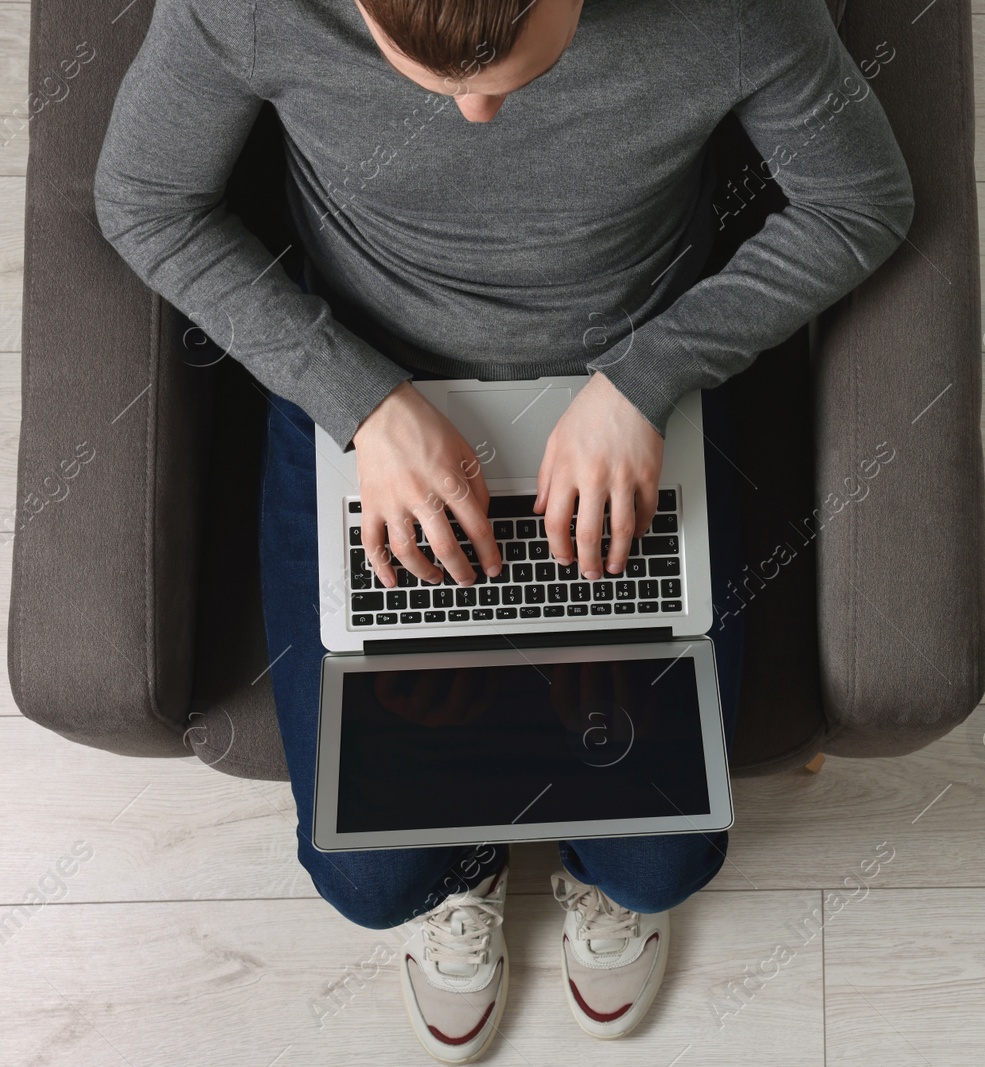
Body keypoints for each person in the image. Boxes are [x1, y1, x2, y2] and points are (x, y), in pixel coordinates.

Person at [92, 0, 913, 1059]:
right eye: (429, 82)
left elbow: (863, 199)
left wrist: (648, 377)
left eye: (509, 74)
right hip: (366, 396)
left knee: (658, 863)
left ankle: (589, 871)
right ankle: (464, 865)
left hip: (630, 401)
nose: (478, 115)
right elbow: (146, 199)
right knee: (372, 879)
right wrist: (362, 402)